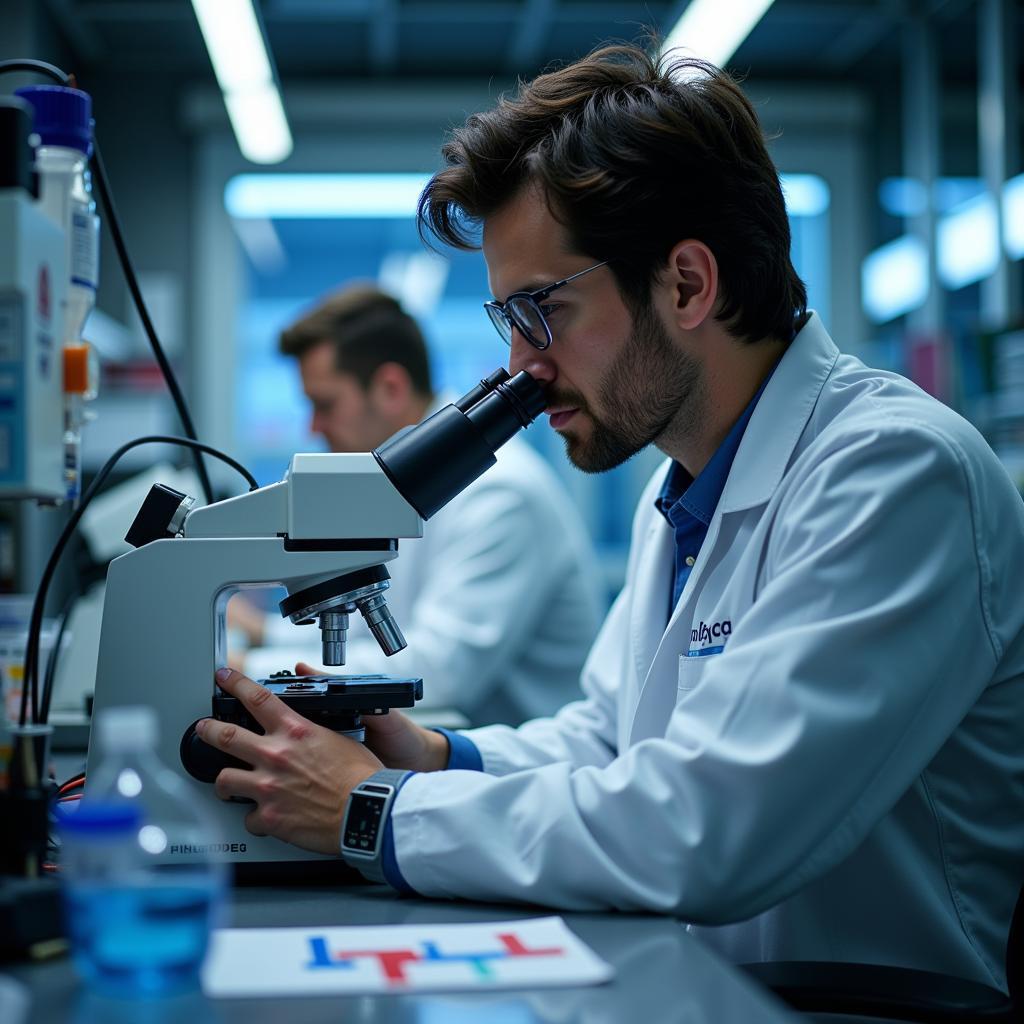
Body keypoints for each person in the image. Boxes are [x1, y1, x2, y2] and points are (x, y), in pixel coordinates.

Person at [197, 44, 1024, 988]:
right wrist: (436, 756)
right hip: (703, 981)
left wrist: (375, 810)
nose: (518, 366)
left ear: (686, 283)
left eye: (541, 312)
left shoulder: (897, 472)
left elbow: (710, 831)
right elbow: (608, 740)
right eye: (507, 321)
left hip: (865, 1004)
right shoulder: (678, 487)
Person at [231, 285, 603, 726]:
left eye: (324, 404)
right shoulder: (396, 489)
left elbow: (437, 670)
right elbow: (394, 640)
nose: (314, 427)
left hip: (517, 774)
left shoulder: (501, 494)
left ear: (390, 387)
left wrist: (242, 671)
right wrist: (261, 637)